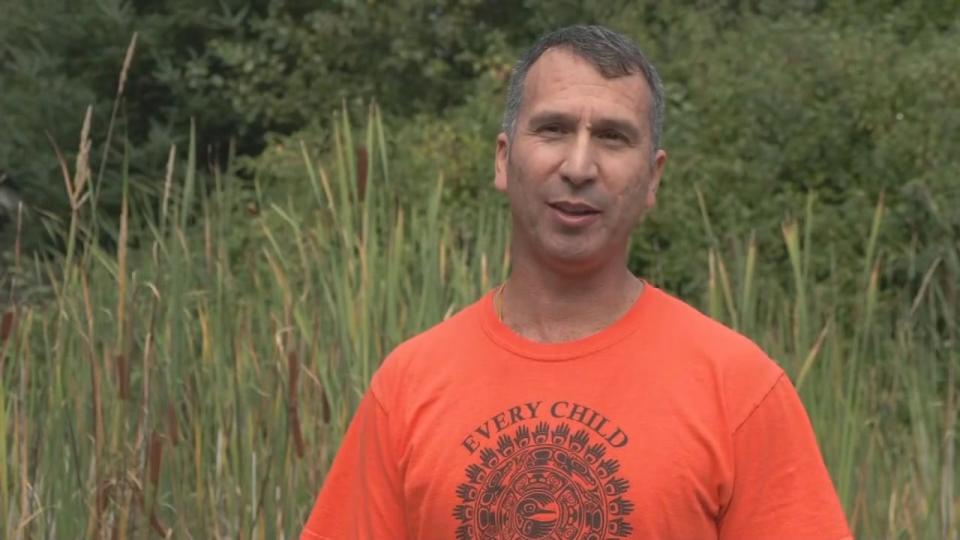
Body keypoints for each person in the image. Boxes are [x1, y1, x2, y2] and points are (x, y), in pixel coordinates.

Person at [301, 25, 852, 540]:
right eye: (553, 129)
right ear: (503, 159)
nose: (579, 165)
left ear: (653, 178)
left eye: (613, 137)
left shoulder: (740, 390)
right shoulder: (408, 386)